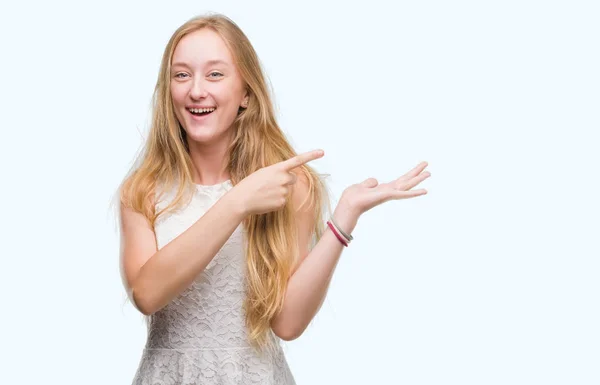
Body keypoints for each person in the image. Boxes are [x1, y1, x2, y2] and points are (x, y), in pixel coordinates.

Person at [116, 13, 431, 385]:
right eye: (181, 75)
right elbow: (146, 294)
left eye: (215, 74)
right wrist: (237, 202)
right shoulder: (144, 189)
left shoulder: (288, 185)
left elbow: (287, 322)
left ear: (246, 92)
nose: (196, 90)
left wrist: (344, 218)